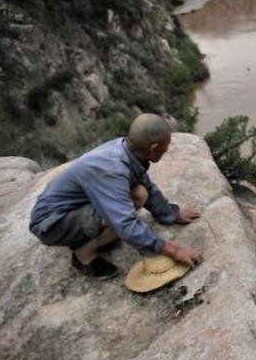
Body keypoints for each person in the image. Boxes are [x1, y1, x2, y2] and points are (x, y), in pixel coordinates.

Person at [29, 114, 203, 280]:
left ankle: (94, 235)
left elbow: (144, 183)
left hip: (71, 210)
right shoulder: (112, 169)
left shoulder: (125, 150)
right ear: (154, 148)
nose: (167, 149)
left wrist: (171, 214)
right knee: (121, 218)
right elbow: (124, 223)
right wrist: (173, 250)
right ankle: (83, 255)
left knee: (140, 192)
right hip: (52, 223)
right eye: (167, 145)